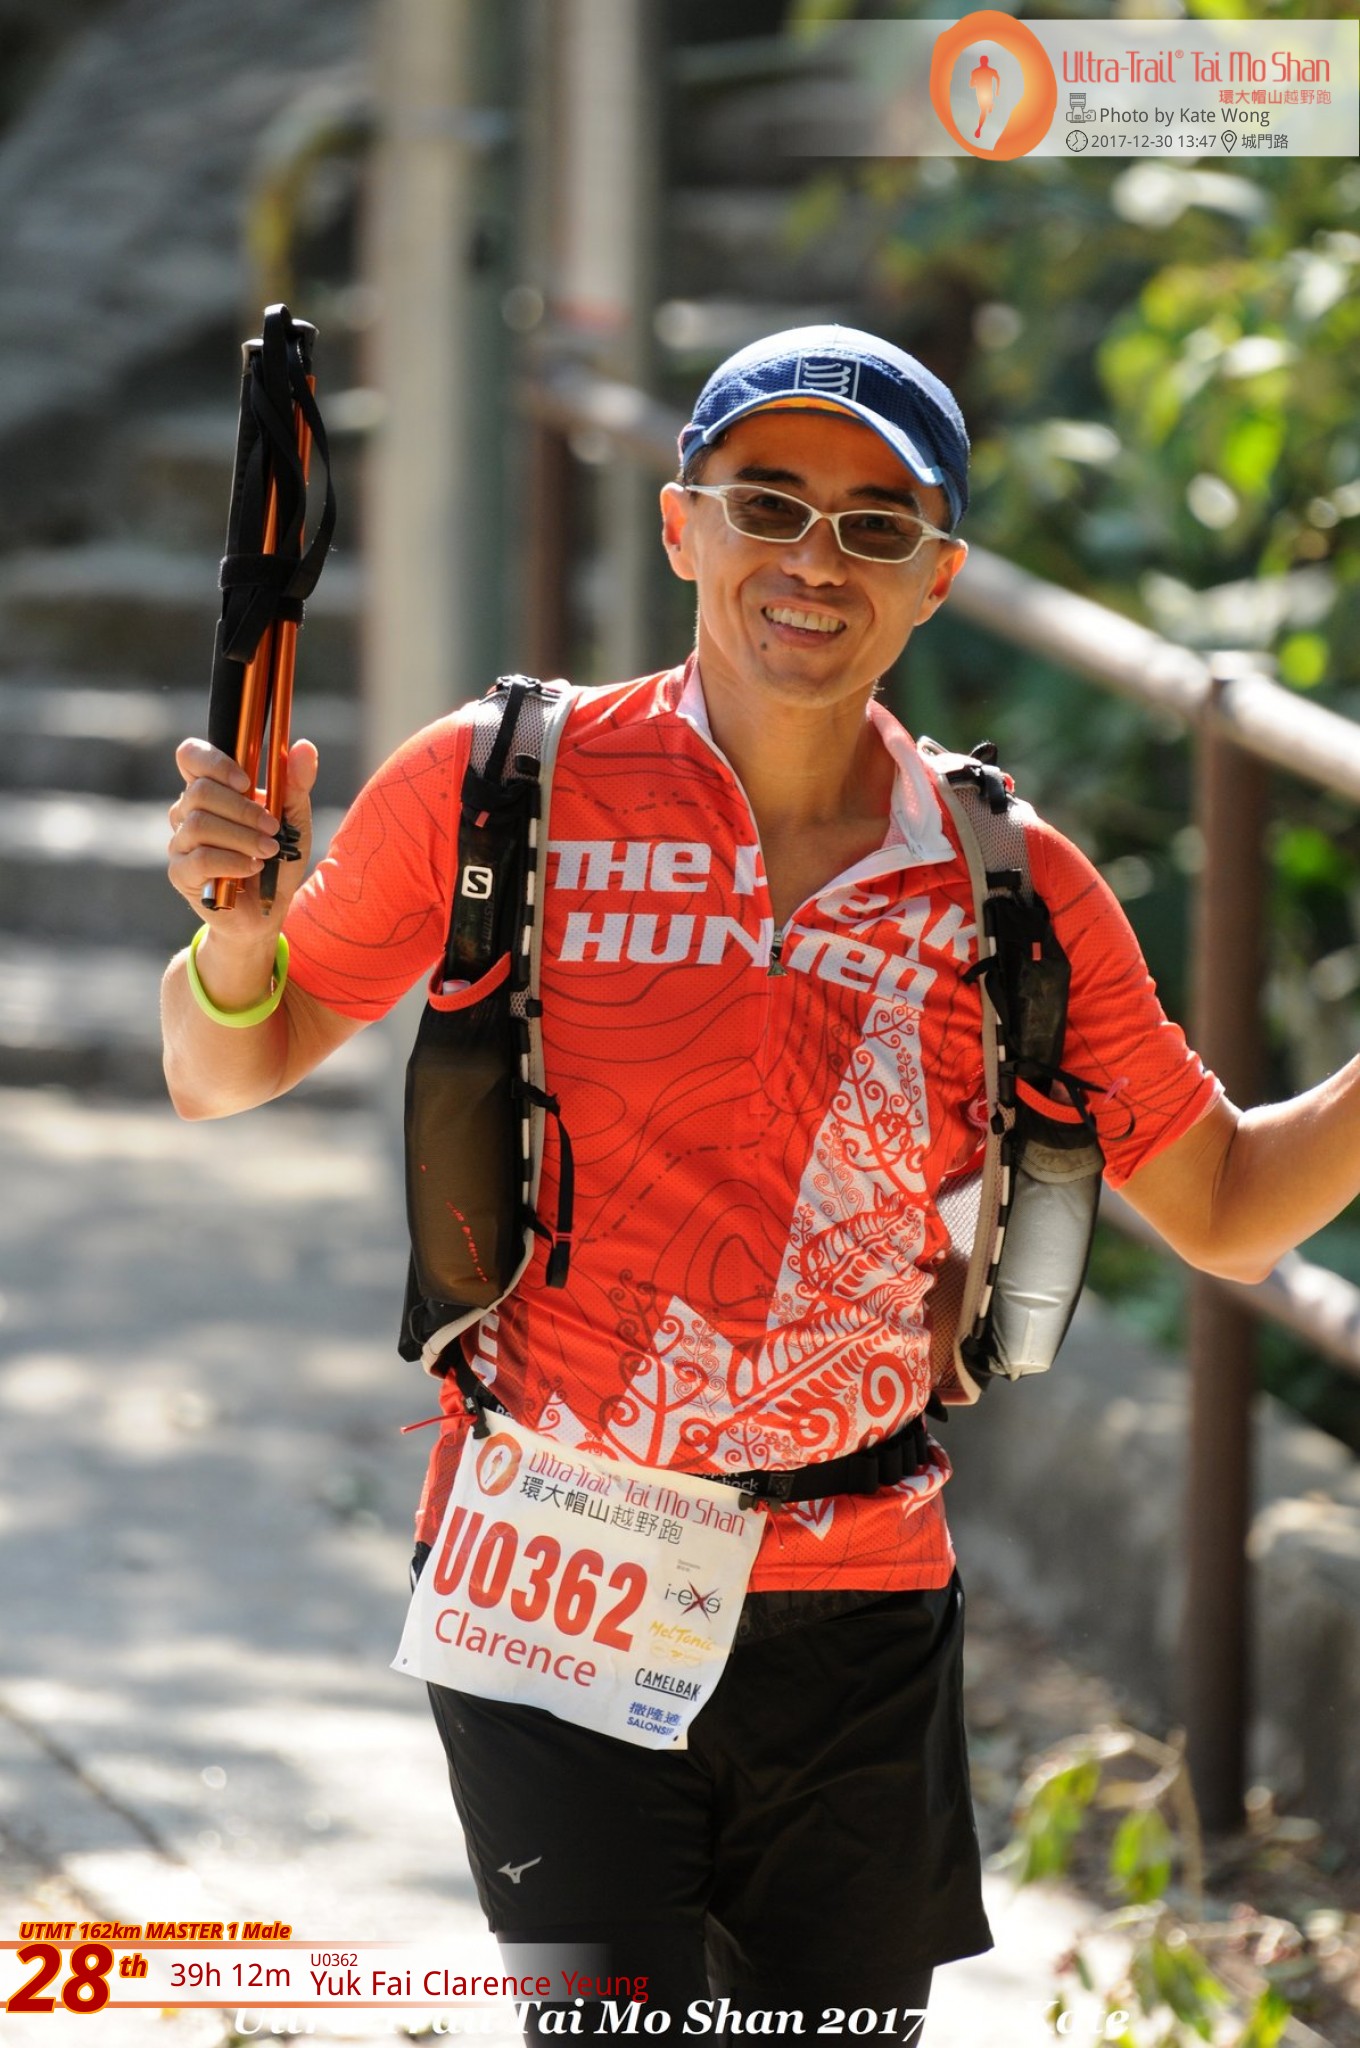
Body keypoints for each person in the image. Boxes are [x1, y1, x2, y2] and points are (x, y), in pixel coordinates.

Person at [162, 324, 1360, 2032]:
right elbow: (226, 1066)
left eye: (878, 525)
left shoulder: (1008, 883)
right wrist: (238, 934)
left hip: (858, 1598)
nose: (816, 559)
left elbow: (1231, 1207)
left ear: (938, 578)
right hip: (549, 1563)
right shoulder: (503, 787)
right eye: (769, 504)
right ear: (681, 527)